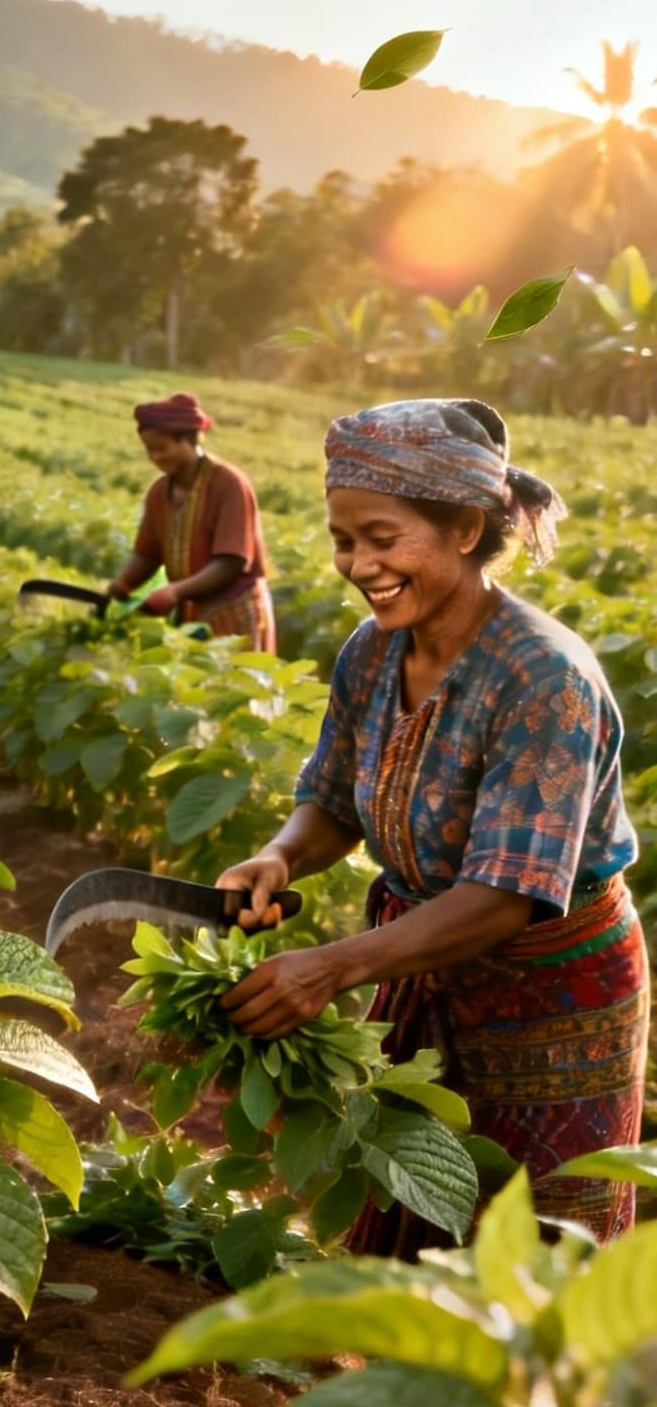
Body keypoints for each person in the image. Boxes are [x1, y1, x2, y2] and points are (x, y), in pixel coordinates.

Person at [214, 397, 648, 1252]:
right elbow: (332, 802)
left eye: (382, 538)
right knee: (417, 1213)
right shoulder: (372, 650)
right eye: (344, 541)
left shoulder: (543, 677)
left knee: (535, 1241)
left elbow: (506, 895)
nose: (358, 565)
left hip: (551, 997)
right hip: (422, 964)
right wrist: (280, 856)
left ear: (464, 529)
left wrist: (331, 966)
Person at [107, 392, 275, 652]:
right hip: (191, 613)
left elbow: (231, 562)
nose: (156, 457)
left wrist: (174, 592)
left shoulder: (228, 484)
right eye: (150, 450)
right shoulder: (159, 492)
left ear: (189, 440)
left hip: (234, 612)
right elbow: (148, 554)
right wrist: (123, 583)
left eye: (162, 448)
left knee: (235, 676)